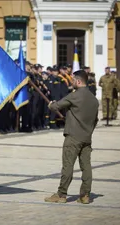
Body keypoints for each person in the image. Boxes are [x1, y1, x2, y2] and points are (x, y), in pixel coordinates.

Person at [45, 70, 99, 204]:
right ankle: (85, 195)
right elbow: (95, 120)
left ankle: (61, 195)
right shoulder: (94, 99)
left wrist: (51, 104)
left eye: (74, 80)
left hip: (73, 137)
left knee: (68, 166)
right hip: (87, 138)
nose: (72, 82)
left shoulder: (74, 96)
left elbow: (57, 106)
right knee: (86, 167)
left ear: (79, 81)